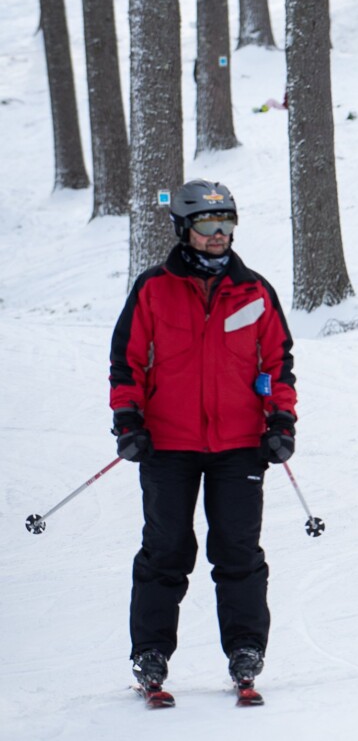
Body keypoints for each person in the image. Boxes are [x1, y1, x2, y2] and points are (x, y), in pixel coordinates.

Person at [110, 180, 297, 699]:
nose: (219, 234)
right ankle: (150, 653)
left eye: (227, 223)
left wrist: (281, 420)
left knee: (238, 550)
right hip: (167, 445)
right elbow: (126, 362)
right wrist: (128, 420)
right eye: (208, 225)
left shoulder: (254, 290)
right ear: (183, 229)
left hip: (239, 446)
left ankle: (245, 649)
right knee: (165, 550)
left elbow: (277, 362)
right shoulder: (154, 289)